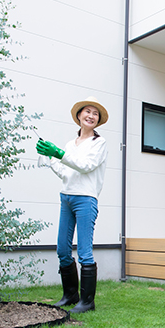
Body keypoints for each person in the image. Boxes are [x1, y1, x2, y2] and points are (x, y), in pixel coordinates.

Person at [36, 97, 108, 314]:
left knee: (85, 251)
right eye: (87, 111)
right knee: (62, 250)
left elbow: (85, 166)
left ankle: (87, 302)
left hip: (85, 199)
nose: (91, 116)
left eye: (95, 114)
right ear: (79, 116)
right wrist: (49, 157)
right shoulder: (70, 144)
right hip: (66, 198)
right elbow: (65, 172)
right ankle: (70, 295)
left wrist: (59, 154)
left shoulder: (99, 143)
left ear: (98, 120)